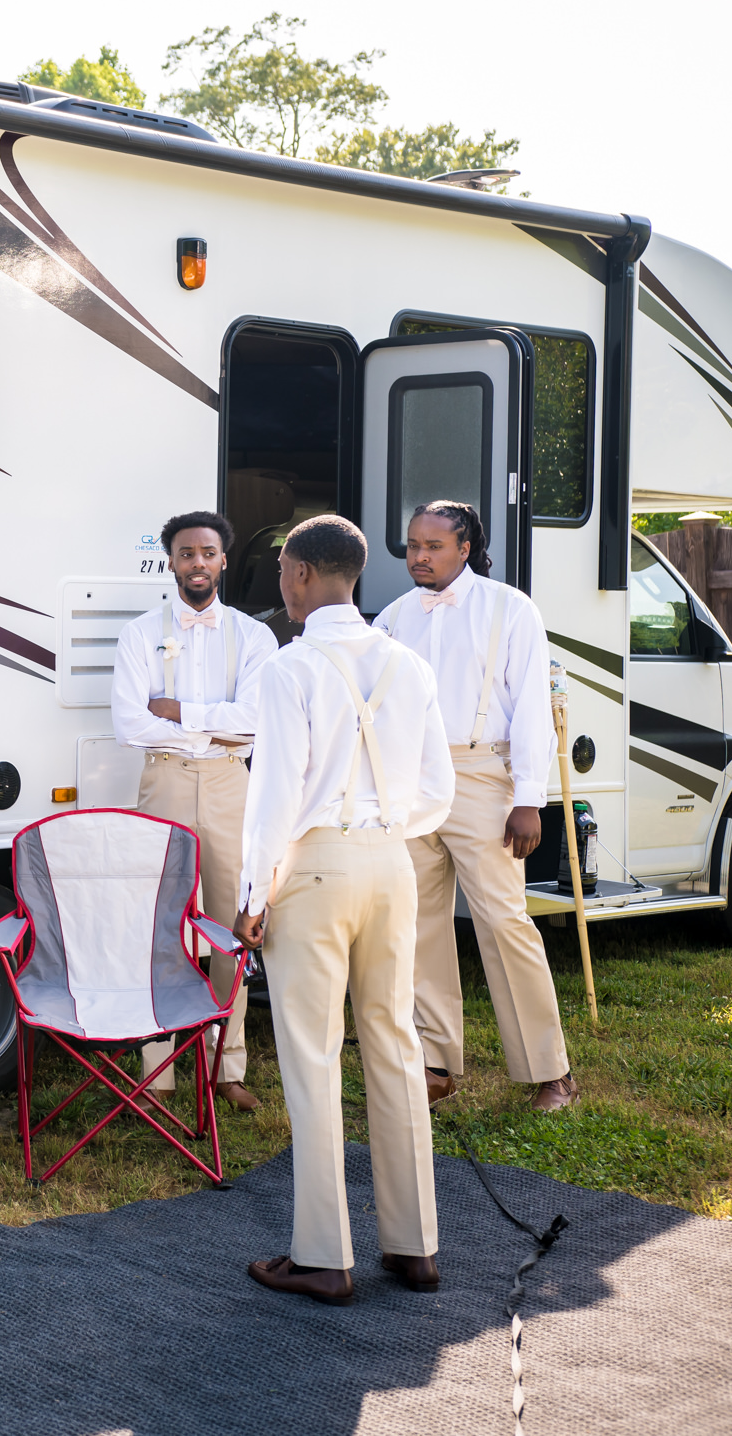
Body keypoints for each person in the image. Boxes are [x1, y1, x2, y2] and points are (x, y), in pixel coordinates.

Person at [235, 515, 454, 1304]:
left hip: (316, 865)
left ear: (297, 575)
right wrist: (385, 829)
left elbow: (273, 800)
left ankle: (324, 1253)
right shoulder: (409, 665)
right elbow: (439, 792)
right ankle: (415, 1244)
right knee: (395, 1045)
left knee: (313, 1055)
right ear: (353, 576)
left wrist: (253, 895)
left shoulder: (289, 669)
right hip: (392, 863)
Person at [375, 500, 578, 1113]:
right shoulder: (392, 618)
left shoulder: (509, 608)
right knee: (416, 923)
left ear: (465, 547)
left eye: (432, 546)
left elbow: (533, 714)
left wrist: (527, 800)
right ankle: (435, 1063)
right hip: (411, 779)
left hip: (483, 774)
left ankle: (550, 1070)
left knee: (502, 920)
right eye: (412, 545)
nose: (418, 556)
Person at [111, 511, 278, 1112]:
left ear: (224, 560)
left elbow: (257, 720)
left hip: (234, 789)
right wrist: (215, 726)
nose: (198, 563)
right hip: (166, 784)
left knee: (234, 927)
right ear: (171, 561)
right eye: (186, 554)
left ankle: (226, 1065)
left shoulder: (255, 637)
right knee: (163, 925)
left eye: (208, 553)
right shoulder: (140, 634)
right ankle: (158, 1072)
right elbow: (130, 723)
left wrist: (179, 712)